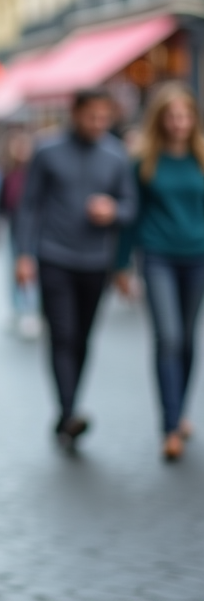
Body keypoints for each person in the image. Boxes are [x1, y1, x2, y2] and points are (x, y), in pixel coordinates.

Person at [15, 88, 136, 451]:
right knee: (62, 335)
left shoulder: (116, 156)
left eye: (105, 118)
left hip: (96, 260)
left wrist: (113, 210)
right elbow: (28, 205)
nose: (98, 124)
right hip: (54, 256)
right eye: (92, 116)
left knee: (82, 337)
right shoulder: (47, 150)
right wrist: (23, 255)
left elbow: (131, 207)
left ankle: (69, 407)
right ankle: (68, 411)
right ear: (75, 113)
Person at [115, 83, 204, 461]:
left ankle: (180, 411)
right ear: (160, 120)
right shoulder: (143, 162)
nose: (179, 123)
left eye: (185, 116)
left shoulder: (201, 158)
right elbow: (131, 218)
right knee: (167, 337)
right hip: (157, 255)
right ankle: (169, 426)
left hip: (197, 255)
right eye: (172, 116)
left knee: (186, 338)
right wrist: (120, 265)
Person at [0, 132, 41, 338]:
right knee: (16, 269)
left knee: (34, 270)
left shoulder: (38, 174)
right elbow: (1, 203)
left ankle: (32, 311)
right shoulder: (9, 175)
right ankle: (19, 309)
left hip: (37, 230)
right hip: (15, 229)